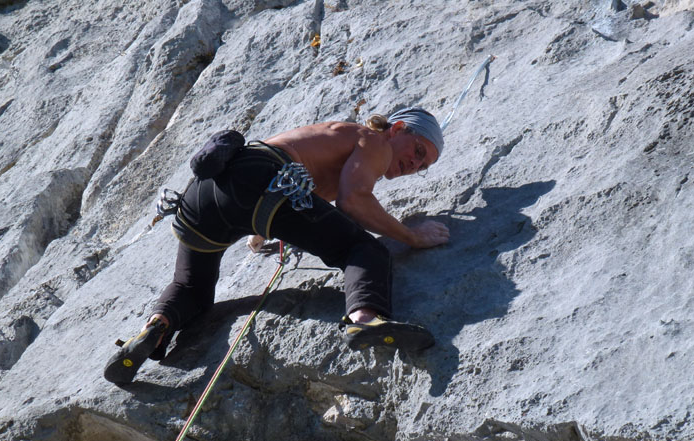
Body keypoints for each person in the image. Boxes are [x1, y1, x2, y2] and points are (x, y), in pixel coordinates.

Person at [104, 107, 450, 385]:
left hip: (204, 194)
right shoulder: (373, 141)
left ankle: (156, 327)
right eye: (419, 151)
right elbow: (354, 200)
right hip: (263, 184)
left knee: (191, 288)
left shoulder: (334, 137)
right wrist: (410, 236)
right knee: (366, 250)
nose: (415, 164)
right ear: (398, 128)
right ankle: (364, 320)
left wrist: (262, 228)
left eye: (424, 166)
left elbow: (290, 185)